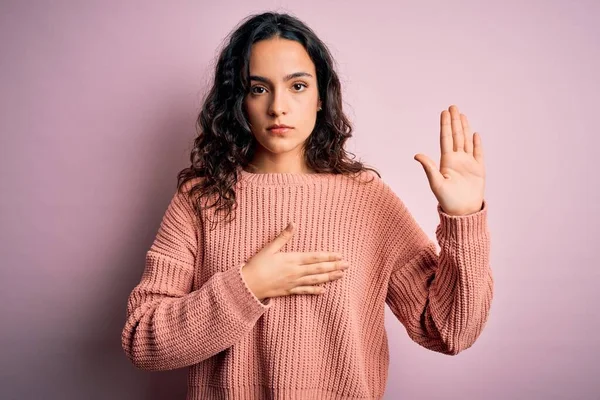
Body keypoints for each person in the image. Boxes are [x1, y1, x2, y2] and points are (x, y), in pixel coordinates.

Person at [120, 11, 493, 400]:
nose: (278, 107)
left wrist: (464, 220)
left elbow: (450, 331)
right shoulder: (201, 197)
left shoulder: (367, 199)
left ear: (320, 98)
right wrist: (248, 286)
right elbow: (143, 339)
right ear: (238, 101)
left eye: (297, 85)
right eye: (258, 89)